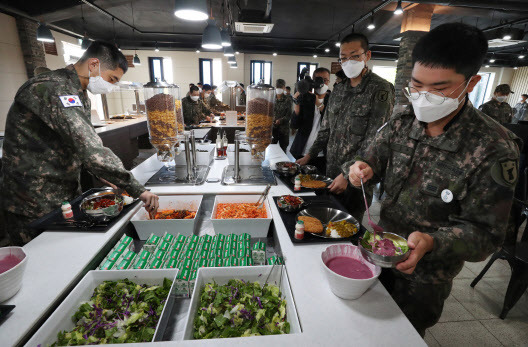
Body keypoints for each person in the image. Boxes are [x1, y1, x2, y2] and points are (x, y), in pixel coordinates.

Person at [347, 23, 520, 337]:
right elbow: (373, 155)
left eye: (439, 89)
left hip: (425, 278)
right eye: (416, 84)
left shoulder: (493, 148)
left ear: (471, 83)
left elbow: (487, 235)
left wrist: (431, 242)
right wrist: (362, 166)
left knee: (405, 335)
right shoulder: (403, 119)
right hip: (380, 250)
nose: (423, 97)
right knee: (363, 329)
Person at [0, 41, 159, 246]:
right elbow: (90, 147)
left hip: (61, 192)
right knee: (39, 259)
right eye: (112, 79)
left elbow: (76, 145)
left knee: (65, 254)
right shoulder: (54, 89)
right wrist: (138, 189)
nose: (110, 87)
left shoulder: (79, 93)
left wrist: (105, 175)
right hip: (32, 198)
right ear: (94, 64)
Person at [296, 33, 395, 219]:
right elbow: (325, 130)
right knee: (327, 220)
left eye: (355, 55)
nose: (348, 61)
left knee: (348, 227)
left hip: (357, 178)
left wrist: (346, 173)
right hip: (331, 171)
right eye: (343, 58)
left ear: (367, 56)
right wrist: (309, 155)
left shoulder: (380, 89)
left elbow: (376, 140)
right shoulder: (339, 90)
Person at [289, 68, 332, 173]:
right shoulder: (306, 99)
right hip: (302, 151)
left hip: (323, 154)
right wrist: (297, 104)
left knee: (320, 185)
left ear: (329, 81)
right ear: (312, 81)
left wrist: (319, 104)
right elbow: (294, 125)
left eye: (325, 80)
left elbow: (332, 122)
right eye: (318, 79)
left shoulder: (333, 100)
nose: (322, 83)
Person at [272, 79, 293, 152]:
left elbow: (289, 115)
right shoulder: (272, 98)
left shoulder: (288, 99)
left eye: (281, 87)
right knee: (271, 149)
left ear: (284, 87)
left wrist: (280, 121)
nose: (279, 89)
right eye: (278, 87)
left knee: (283, 150)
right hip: (273, 129)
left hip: (283, 130)